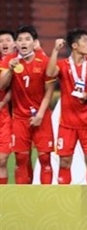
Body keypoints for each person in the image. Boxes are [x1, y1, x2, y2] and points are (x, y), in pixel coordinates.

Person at [0, 26, 55, 184]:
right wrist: (10, 70)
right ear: (16, 44)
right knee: (21, 159)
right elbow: (2, 86)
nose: (23, 42)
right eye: (20, 40)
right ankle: (23, 196)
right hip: (19, 118)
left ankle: (46, 196)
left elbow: (49, 91)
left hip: (42, 117)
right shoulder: (9, 60)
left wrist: (40, 115)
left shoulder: (44, 61)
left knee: (45, 159)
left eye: (27, 39)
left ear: (34, 42)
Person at [46, 29, 87, 185]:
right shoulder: (63, 65)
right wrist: (55, 50)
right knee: (64, 162)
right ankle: (65, 196)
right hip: (67, 124)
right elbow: (50, 73)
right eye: (85, 40)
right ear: (75, 45)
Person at [0, 30, 15, 184]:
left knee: (3, 159)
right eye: (1, 41)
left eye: (7, 40)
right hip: (5, 114)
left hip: (15, 116)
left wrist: (3, 103)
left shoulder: (22, 62)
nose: (4, 43)